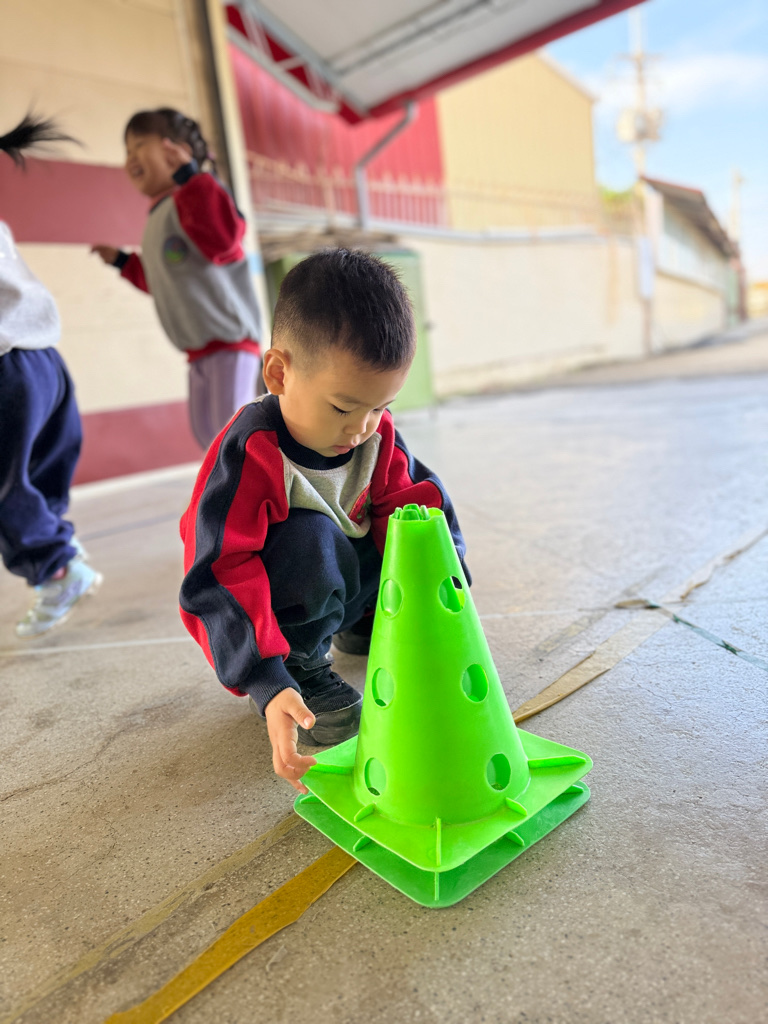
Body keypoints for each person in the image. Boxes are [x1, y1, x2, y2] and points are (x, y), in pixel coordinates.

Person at [179, 249, 469, 792]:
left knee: (408, 524)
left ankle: (362, 623)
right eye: (342, 407)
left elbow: (419, 506)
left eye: (379, 406)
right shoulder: (252, 452)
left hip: (343, 582)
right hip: (283, 604)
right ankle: (300, 664)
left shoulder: (374, 435)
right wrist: (264, 677)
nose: (361, 428)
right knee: (309, 537)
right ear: (279, 373)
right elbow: (219, 573)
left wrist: (444, 597)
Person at [91, 108, 262, 449]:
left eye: (140, 145)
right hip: (198, 349)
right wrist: (123, 262)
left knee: (231, 438)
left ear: (177, 150)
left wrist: (191, 177)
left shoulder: (201, 194)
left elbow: (223, 240)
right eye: (127, 150)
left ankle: (253, 482)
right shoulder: (161, 213)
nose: (131, 157)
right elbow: (161, 279)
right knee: (208, 435)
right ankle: (224, 483)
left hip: (230, 341)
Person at [0, 114, 102, 637]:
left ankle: (58, 569)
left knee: (6, 487)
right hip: (45, 361)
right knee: (40, 469)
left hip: (5, 371)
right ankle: (62, 543)